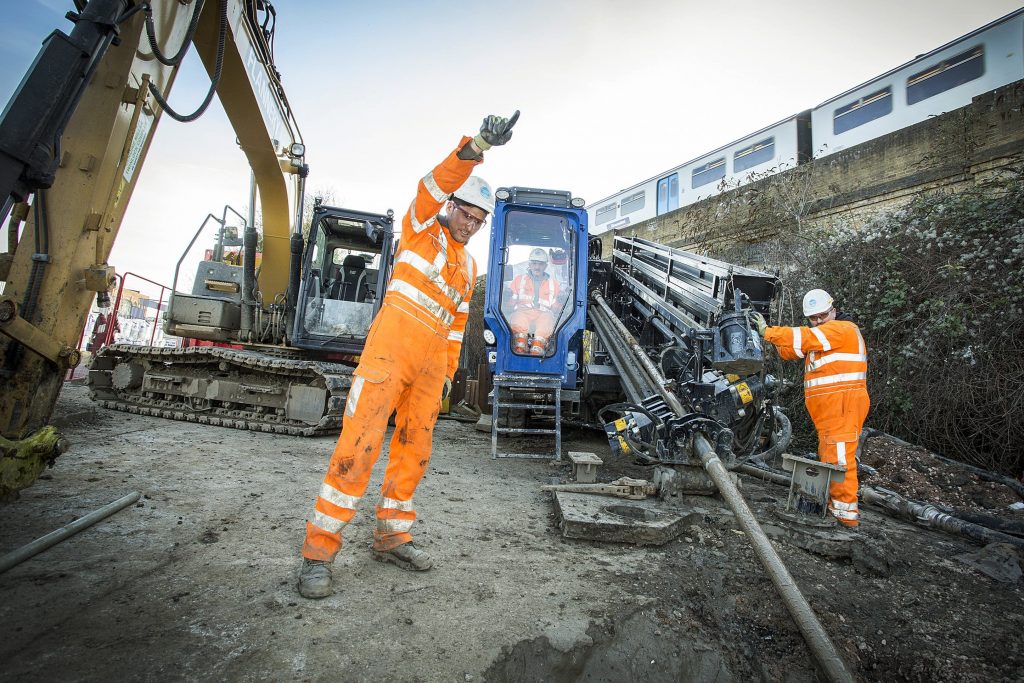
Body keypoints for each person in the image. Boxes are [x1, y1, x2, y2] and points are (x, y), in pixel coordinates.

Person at [298, 111, 519, 599]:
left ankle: (392, 535)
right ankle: (319, 552)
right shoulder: (422, 226)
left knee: (414, 452)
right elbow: (436, 180)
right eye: (466, 214)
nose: (470, 225)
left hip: (426, 370)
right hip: (387, 357)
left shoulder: (468, 264)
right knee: (358, 447)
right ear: (451, 206)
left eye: (479, 222)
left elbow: (458, 325)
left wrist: (444, 376)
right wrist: (479, 143)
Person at [751, 288, 869, 527]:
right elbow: (790, 350)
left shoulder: (843, 329)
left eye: (822, 316)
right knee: (830, 457)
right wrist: (766, 337)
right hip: (831, 410)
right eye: (813, 318)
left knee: (839, 459)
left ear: (833, 310)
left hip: (842, 405)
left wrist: (769, 331)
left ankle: (846, 517)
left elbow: (802, 338)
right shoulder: (823, 337)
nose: (818, 321)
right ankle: (835, 508)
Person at [508, 248, 561, 356]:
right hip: (523, 312)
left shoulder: (554, 284)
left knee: (546, 322)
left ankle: (536, 353)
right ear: (530, 264)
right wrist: (506, 307)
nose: (537, 267)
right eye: (534, 263)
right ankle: (519, 351)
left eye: (540, 264)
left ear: (545, 266)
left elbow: (557, 306)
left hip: (543, 314)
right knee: (518, 322)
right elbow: (510, 301)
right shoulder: (519, 280)